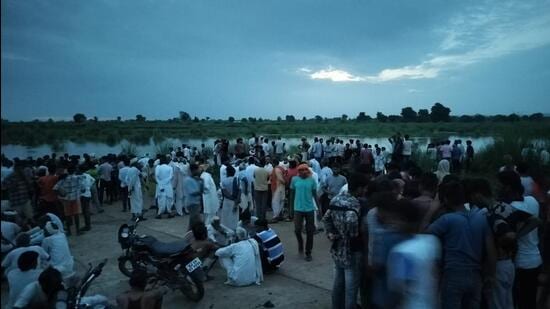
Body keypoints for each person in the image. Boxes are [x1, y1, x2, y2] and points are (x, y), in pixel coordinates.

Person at [427, 181, 496, 309]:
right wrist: (491, 275)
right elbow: (490, 250)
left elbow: (423, 234)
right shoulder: (481, 218)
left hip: (453, 274)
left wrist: (433, 209)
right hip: (476, 275)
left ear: (446, 200)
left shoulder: (447, 220)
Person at [497, 171, 542, 309]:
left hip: (520, 262)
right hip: (535, 258)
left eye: (500, 185)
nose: (498, 188)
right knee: (530, 301)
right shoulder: (532, 201)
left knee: (517, 301)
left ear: (508, 187)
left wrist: (517, 235)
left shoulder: (511, 208)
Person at [386, 199, 441, 309]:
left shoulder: (402, 251)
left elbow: (400, 289)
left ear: (403, 220)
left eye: (394, 219)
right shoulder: (432, 242)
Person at [323, 173, 364, 309]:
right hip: (350, 249)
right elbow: (352, 222)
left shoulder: (336, 199)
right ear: (359, 189)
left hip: (337, 246)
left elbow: (326, 218)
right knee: (351, 286)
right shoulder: (354, 203)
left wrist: (331, 233)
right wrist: (350, 234)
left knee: (338, 281)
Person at [290, 163, 319, 262]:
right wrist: (290, 209)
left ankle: (308, 252)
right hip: (297, 209)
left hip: (310, 209)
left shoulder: (312, 181)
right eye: (301, 170)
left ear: (308, 171)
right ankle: (300, 244)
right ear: (298, 171)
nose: (303, 172)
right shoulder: (294, 180)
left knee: (310, 231)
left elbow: (315, 196)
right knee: (297, 230)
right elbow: (291, 195)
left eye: (305, 170)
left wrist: (319, 209)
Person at [53, 165, 83, 236]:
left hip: (66, 199)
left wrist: (61, 195)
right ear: (74, 170)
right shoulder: (77, 178)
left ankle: (69, 231)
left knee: (67, 215)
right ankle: (77, 230)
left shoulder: (63, 179)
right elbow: (82, 184)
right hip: (75, 198)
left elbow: (55, 189)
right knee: (76, 215)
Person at [184, 163, 204, 230]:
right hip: (192, 203)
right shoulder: (188, 180)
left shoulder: (195, 179)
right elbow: (193, 193)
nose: (199, 171)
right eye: (198, 169)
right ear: (194, 170)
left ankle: (190, 234)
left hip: (196, 202)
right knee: (196, 220)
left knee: (193, 221)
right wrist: (201, 191)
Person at [220, 165, 240, 231]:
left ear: (227, 172)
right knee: (234, 217)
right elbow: (239, 191)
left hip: (227, 201)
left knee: (226, 217)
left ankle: (226, 231)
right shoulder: (237, 180)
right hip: (235, 201)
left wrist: (231, 197)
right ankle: (234, 230)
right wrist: (236, 200)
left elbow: (224, 193)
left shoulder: (223, 181)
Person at [77, 166, 95, 231]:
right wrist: (89, 186)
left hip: (83, 195)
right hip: (88, 193)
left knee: (85, 211)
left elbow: (81, 185)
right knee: (86, 210)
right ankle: (88, 225)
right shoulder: (87, 175)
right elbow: (93, 180)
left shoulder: (80, 177)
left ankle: (87, 226)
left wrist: (84, 188)